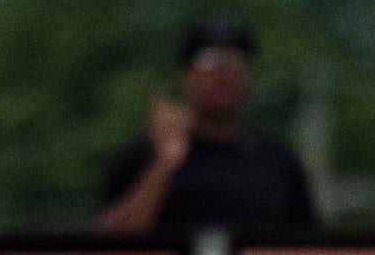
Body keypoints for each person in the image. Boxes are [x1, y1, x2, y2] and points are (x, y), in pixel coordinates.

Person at [95, 16, 318, 235]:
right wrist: (164, 165)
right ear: (186, 74)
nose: (225, 72)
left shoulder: (278, 163)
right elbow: (105, 250)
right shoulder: (143, 157)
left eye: (236, 61)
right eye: (210, 60)